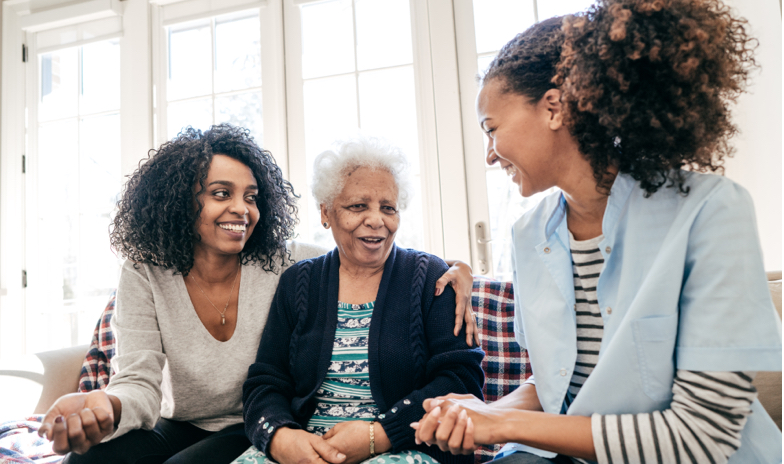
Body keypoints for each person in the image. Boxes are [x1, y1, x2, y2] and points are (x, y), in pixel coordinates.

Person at [413, 1, 782, 463]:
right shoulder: (529, 233)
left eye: (492, 129)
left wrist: (502, 423)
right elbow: (557, 385)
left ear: (553, 107)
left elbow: (701, 437)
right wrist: (479, 414)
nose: (490, 154)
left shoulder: (710, 211)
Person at [36, 125, 477, 464]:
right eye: (220, 194)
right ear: (179, 202)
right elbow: (140, 382)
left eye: (250, 196)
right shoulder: (148, 273)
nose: (241, 210)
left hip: (245, 427)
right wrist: (105, 404)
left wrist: (458, 269)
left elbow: (365, 256)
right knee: (89, 458)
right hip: (188, 421)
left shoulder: (284, 263)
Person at [232, 137, 485, 464]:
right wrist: (281, 436)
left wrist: (378, 435)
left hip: (404, 446)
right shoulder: (299, 281)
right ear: (326, 213)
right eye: (358, 206)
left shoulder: (431, 277)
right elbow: (266, 382)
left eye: (388, 207)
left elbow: (462, 380)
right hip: (310, 448)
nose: (377, 220)